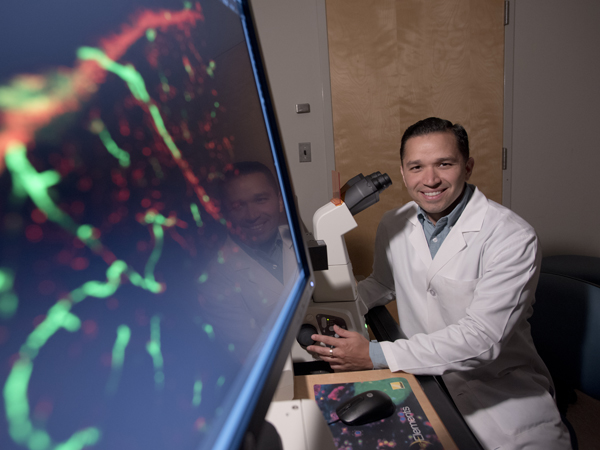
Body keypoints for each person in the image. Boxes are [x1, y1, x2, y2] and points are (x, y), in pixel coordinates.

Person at [307, 118, 571, 449]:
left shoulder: (511, 237)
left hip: (499, 391)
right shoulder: (394, 223)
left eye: (444, 164)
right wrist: (331, 303)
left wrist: (374, 353)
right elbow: (384, 283)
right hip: (422, 377)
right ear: (403, 173)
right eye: (416, 167)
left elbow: (483, 339)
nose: (430, 179)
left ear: (468, 166)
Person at [198, 161, 297, 360]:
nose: (252, 215)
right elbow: (255, 358)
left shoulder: (298, 239)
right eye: (238, 206)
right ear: (224, 213)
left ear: (279, 200)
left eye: (260, 200)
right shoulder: (215, 280)